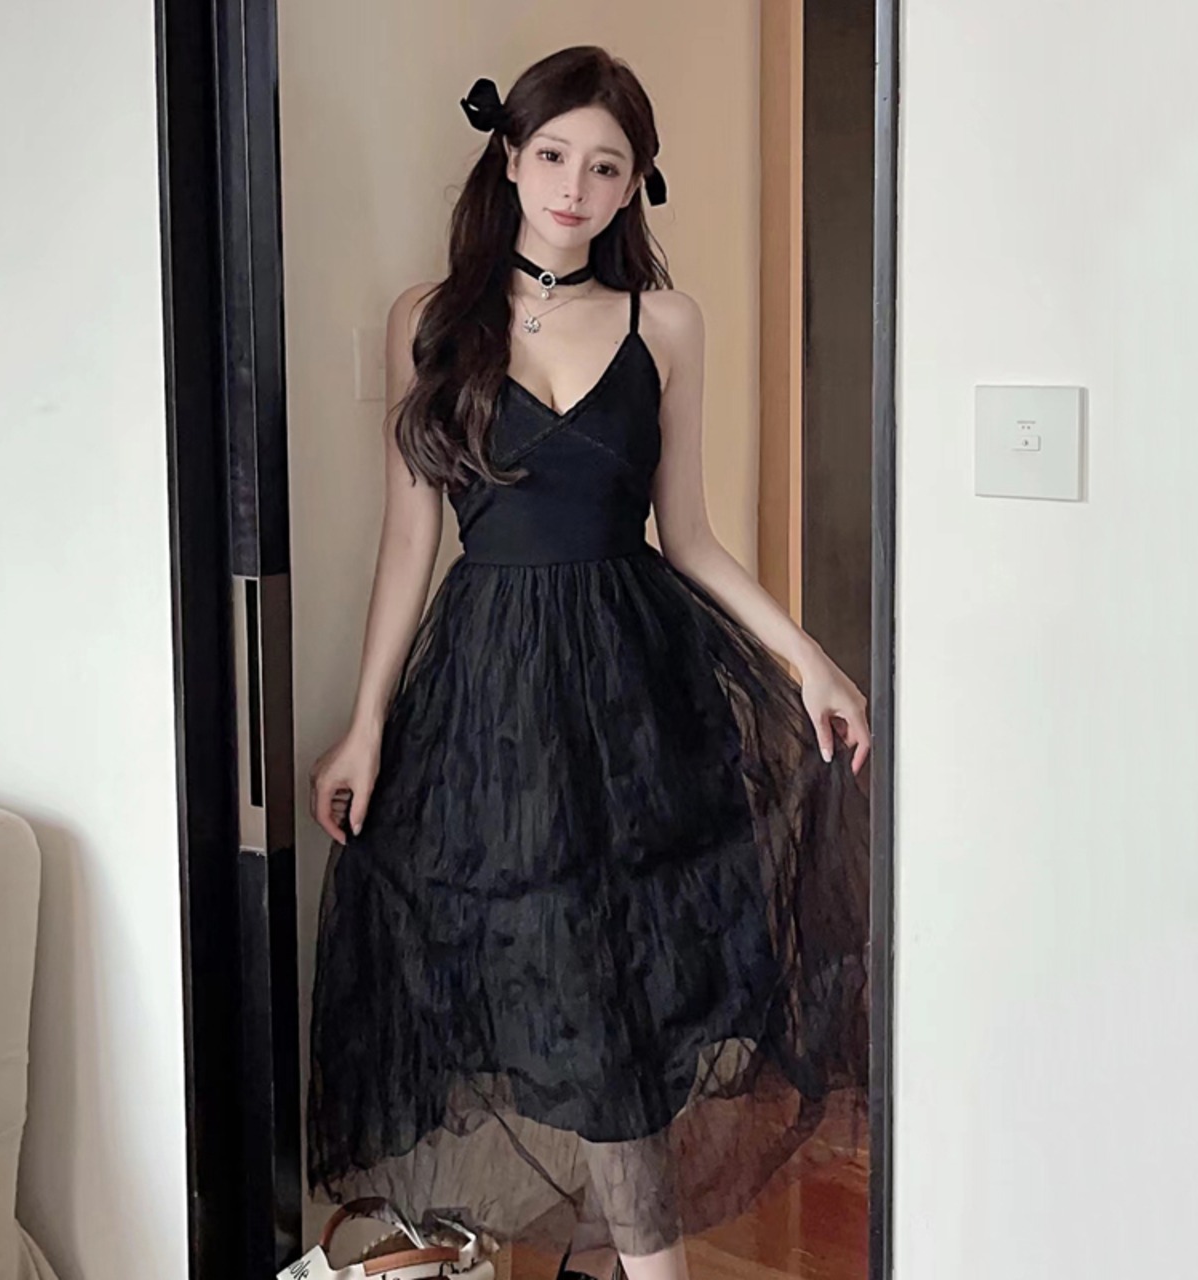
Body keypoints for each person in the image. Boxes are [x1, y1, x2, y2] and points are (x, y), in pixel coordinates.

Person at [306, 45, 871, 1280]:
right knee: (565, 991)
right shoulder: (427, 319)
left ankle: (612, 1260)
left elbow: (692, 535)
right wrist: (365, 723)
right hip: (493, 696)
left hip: (635, 689)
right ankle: (615, 1260)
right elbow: (406, 543)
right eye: (554, 154)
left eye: (605, 166)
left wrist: (806, 660)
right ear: (510, 158)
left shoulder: (664, 322)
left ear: (633, 186)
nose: (574, 186)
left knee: (626, 996)